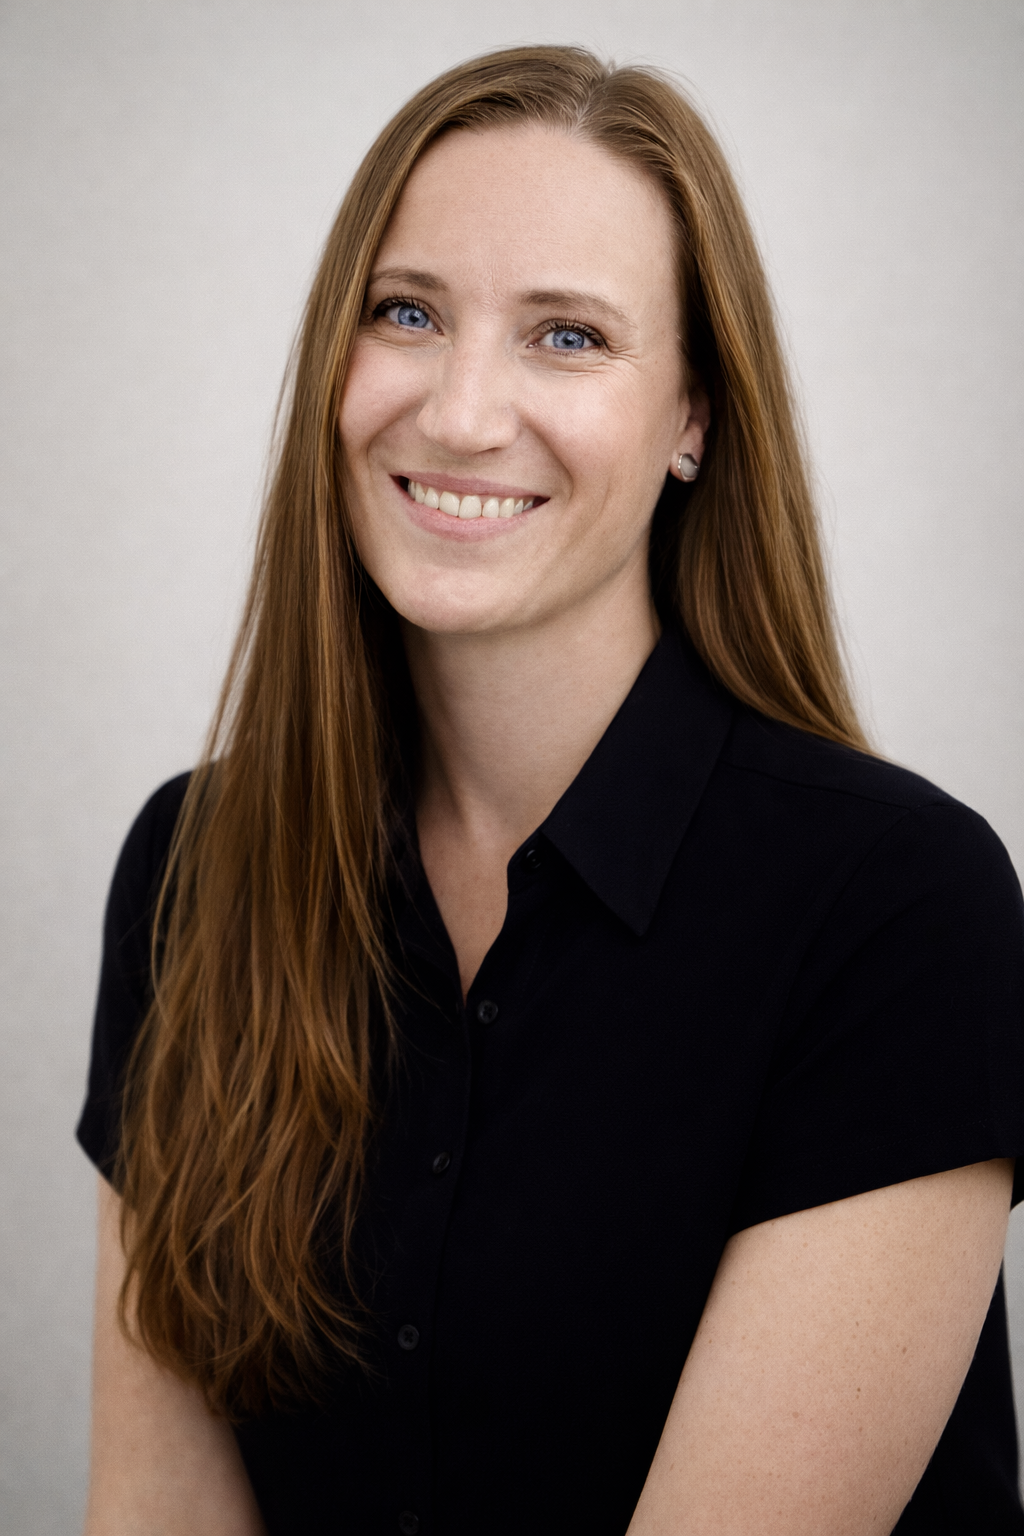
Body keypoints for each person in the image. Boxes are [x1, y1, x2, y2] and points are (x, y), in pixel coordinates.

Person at [78, 45, 1024, 1536]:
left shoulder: (899, 910)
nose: (460, 412)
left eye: (567, 337)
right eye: (408, 313)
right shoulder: (190, 868)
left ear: (695, 418)